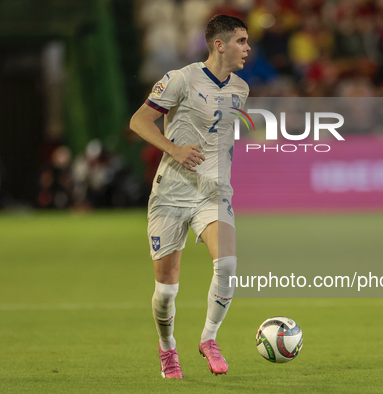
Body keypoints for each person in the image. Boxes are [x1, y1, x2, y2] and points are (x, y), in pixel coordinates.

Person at [129, 15, 250, 378]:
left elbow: (221, 134)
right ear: (220, 44)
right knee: (167, 291)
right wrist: (175, 149)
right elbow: (138, 122)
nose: (247, 48)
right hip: (171, 193)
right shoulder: (180, 79)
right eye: (241, 41)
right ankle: (167, 348)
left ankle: (209, 338)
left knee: (227, 265)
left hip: (213, 191)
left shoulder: (241, 89)